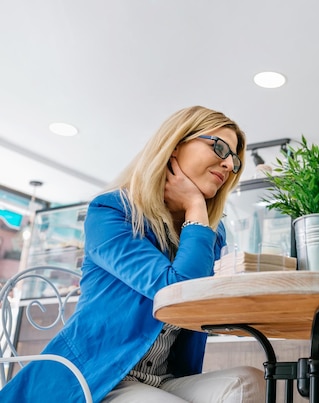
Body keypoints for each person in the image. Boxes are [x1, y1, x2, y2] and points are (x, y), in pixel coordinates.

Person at [0, 106, 266, 402]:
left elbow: (201, 306)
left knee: (249, 382)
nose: (229, 164)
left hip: (163, 378)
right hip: (100, 378)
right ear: (176, 145)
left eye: (235, 160)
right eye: (220, 147)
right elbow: (178, 291)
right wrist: (194, 204)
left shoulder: (211, 235)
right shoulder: (111, 211)